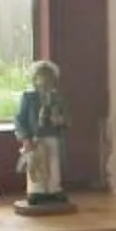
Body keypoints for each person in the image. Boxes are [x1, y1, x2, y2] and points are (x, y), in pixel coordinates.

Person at [14, 60, 73, 212]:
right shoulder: (29, 98)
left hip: (52, 136)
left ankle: (54, 189)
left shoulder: (57, 99)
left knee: (53, 163)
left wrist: (60, 120)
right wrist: (25, 138)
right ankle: (36, 190)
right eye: (41, 77)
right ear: (35, 79)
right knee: (36, 165)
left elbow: (67, 118)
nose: (45, 81)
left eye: (49, 77)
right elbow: (20, 119)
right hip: (36, 138)